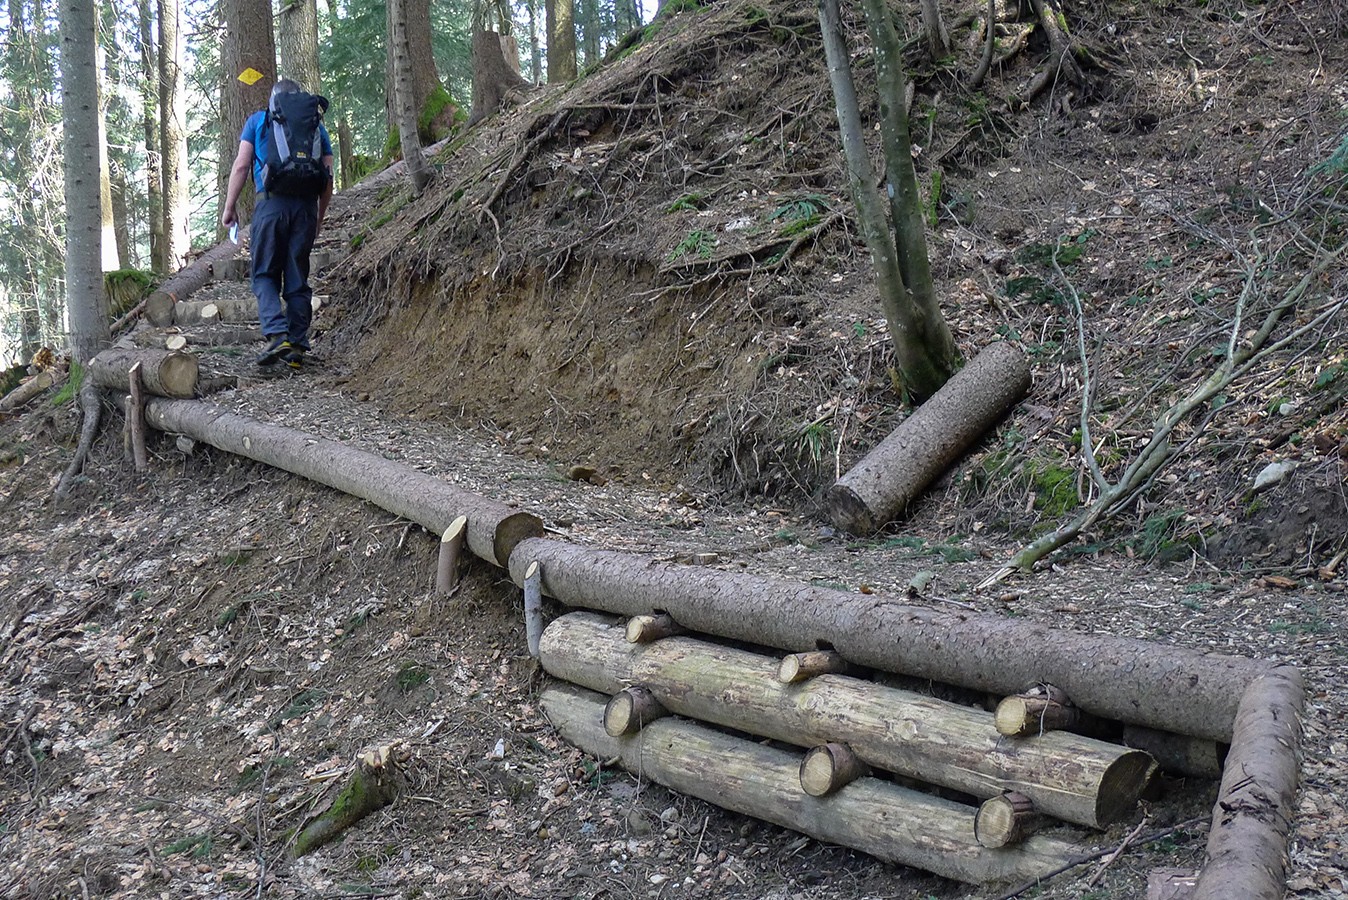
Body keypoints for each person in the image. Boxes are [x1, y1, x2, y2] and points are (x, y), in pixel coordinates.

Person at [221, 79, 334, 369]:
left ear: (273, 100)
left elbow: (242, 165)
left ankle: (276, 334)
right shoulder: (314, 125)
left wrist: (230, 206)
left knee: (264, 274)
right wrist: (318, 218)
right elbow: (327, 175)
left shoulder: (259, 120)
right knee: (297, 278)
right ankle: (296, 344)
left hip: (271, 205)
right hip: (306, 207)